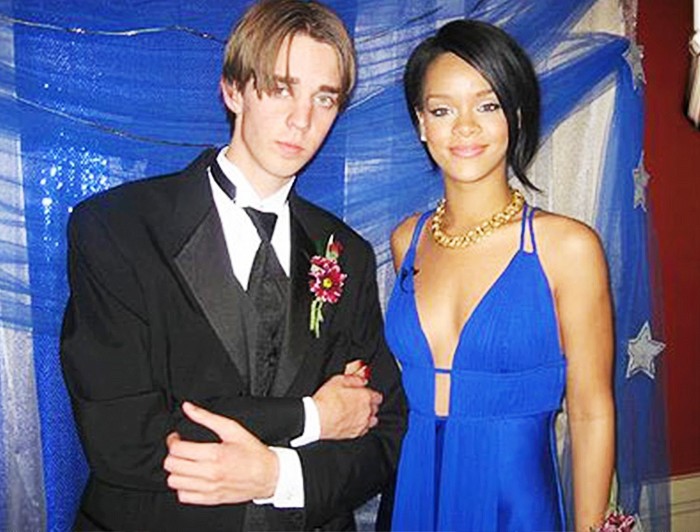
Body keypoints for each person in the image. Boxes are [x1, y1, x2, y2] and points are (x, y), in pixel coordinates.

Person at [60, 1, 406, 530]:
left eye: (324, 98)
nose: (302, 120)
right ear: (233, 90)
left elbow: (385, 430)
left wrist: (279, 476)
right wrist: (313, 417)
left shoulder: (347, 254)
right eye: (281, 88)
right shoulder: (117, 229)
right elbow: (122, 437)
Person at [385, 19, 614, 531]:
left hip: (515, 507)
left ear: (516, 114)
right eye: (442, 110)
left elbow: (591, 411)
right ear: (421, 123)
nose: (464, 127)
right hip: (416, 494)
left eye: (487, 106)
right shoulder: (406, 241)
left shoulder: (567, 248)